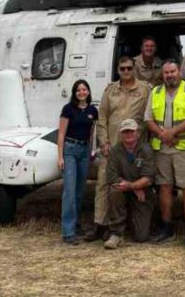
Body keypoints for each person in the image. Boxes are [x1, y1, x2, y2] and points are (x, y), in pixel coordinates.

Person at [84, 56, 152, 242]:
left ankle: (128, 224)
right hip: (112, 147)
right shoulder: (110, 90)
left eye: (129, 68)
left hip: (134, 149)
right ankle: (101, 224)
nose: (126, 71)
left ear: (134, 69)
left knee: (133, 187)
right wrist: (103, 142)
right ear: (118, 70)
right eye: (123, 69)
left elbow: (149, 117)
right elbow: (102, 118)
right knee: (104, 185)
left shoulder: (145, 89)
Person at [144, 59, 185, 246]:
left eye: (173, 71)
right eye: (166, 73)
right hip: (162, 148)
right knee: (164, 187)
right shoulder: (156, 92)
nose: (169, 75)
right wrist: (163, 134)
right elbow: (148, 119)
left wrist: (172, 133)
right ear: (162, 75)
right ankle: (166, 228)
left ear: (180, 72)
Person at [103, 118, 156, 249]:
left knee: (141, 237)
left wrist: (133, 186)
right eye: (125, 131)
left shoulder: (146, 149)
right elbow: (112, 176)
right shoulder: (115, 151)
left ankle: (133, 223)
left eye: (131, 131)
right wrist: (133, 187)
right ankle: (116, 234)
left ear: (137, 133)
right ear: (121, 134)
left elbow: (148, 178)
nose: (128, 134)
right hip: (126, 190)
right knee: (115, 191)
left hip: (143, 193)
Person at [57, 79, 98, 245]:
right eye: (78, 90)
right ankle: (68, 232)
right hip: (70, 150)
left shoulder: (93, 111)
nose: (82, 92)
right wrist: (60, 157)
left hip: (84, 151)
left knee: (80, 190)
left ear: (88, 92)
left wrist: (92, 151)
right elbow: (61, 134)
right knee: (70, 190)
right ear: (75, 93)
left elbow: (92, 133)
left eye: (84, 89)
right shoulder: (68, 109)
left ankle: (76, 224)